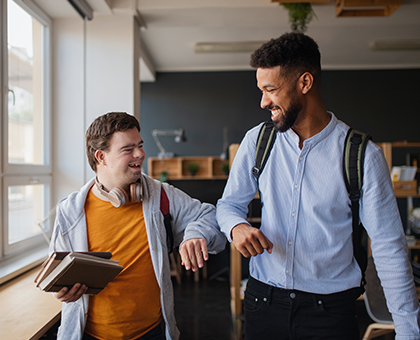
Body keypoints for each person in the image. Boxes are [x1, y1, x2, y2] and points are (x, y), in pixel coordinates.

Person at [216, 32, 420, 339]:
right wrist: (236, 227)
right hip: (263, 305)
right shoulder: (257, 141)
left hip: (330, 315)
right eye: (261, 90)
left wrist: (409, 333)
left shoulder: (363, 155)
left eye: (271, 90)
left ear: (305, 83)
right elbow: (228, 205)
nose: (263, 102)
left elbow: (389, 248)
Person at [49, 112, 226, 340]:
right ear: (101, 157)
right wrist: (61, 292)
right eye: (127, 149)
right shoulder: (70, 211)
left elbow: (210, 216)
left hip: (152, 333)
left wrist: (195, 233)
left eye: (140, 145)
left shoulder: (161, 195)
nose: (140, 154)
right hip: (90, 334)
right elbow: (57, 274)